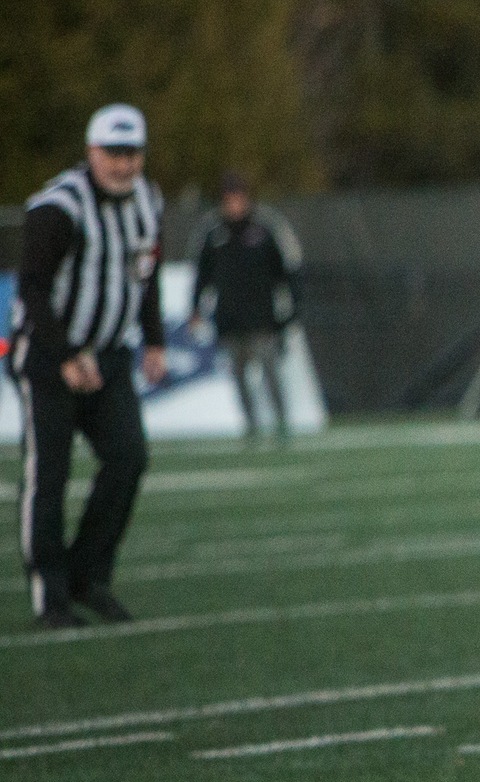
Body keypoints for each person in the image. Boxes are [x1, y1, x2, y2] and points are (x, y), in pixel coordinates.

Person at [9, 104, 167, 628]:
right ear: (91, 152)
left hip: (108, 353)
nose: (124, 165)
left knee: (129, 458)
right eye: (113, 154)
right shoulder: (58, 208)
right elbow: (30, 287)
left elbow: (145, 271)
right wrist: (64, 355)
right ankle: (50, 596)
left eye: (132, 154)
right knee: (48, 476)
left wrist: (155, 340)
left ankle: (88, 574)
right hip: (49, 355)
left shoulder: (148, 201)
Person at [190, 171, 302, 440]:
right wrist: (195, 308)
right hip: (229, 318)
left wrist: (292, 307)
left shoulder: (265, 227)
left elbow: (287, 270)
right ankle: (251, 425)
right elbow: (202, 275)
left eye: (238, 198)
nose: (234, 205)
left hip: (262, 316)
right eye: (229, 199)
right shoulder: (213, 232)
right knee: (239, 375)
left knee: (269, 371)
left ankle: (281, 422)